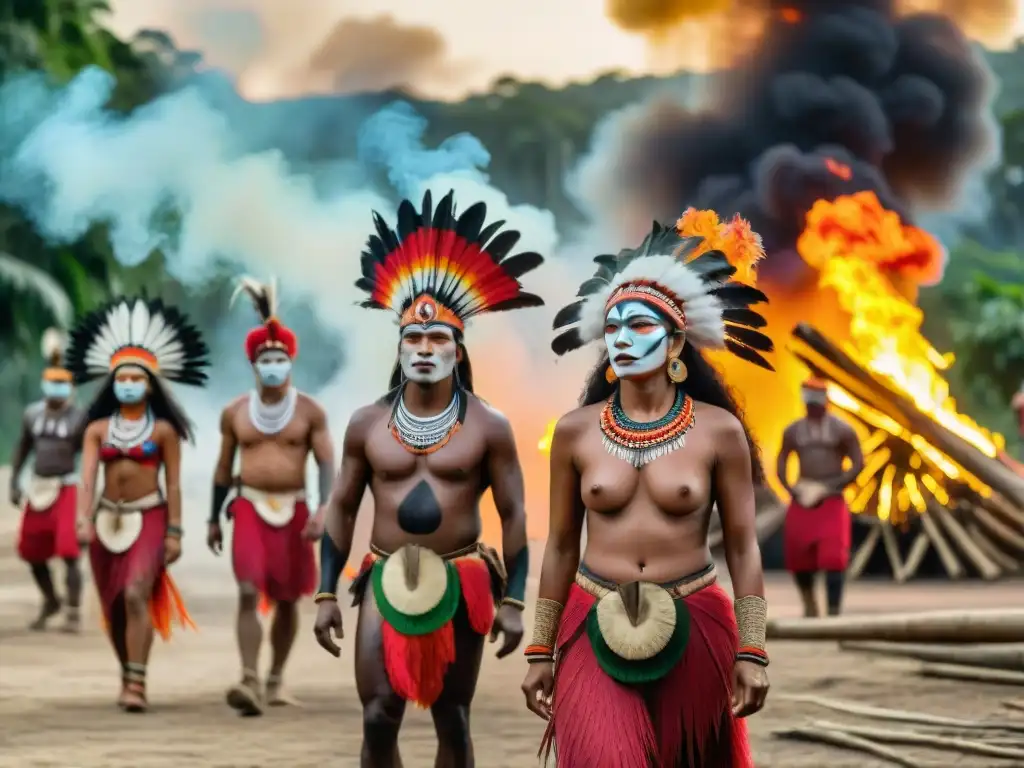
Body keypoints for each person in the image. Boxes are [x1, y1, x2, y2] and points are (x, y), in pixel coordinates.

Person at [522, 209, 774, 767]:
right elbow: (562, 544)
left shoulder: (718, 430)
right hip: (592, 619)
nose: (622, 339)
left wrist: (753, 649)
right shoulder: (574, 431)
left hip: (697, 618)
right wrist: (541, 648)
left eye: (640, 326)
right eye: (612, 328)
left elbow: (743, 545)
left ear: (677, 340)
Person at [313, 189, 541, 767]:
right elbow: (341, 507)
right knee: (377, 715)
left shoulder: (489, 425)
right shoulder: (367, 423)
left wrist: (513, 600)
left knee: (453, 720)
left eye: (438, 338)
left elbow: (515, 515)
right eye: (412, 338)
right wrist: (324, 593)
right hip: (384, 577)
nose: (423, 348)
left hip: (461, 579)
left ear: (458, 351)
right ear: (398, 346)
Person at [67, 296, 209, 712]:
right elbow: (88, 476)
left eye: (136, 377)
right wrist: (82, 518)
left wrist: (176, 531)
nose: (128, 383)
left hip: (149, 516)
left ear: (150, 384)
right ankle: (128, 671)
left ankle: (137, 684)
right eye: (122, 377)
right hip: (106, 520)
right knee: (113, 602)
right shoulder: (96, 429)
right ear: (112, 382)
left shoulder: (164, 431)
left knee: (134, 595)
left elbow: (175, 483)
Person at [207, 277, 334, 716]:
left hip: (295, 509)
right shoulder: (235, 412)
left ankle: (276, 678)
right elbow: (223, 468)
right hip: (247, 506)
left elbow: (327, 464)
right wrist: (210, 518)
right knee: (247, 590)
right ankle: (248, 678)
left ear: (291, 360)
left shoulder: (311, 412)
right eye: (266, 358)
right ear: (254, 364)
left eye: (280, 357)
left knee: (286, 599)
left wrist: (323, 508)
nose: (273, 364)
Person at [8, 328, 86, 632]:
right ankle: (51, 598)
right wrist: (14, 481)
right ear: (44, 384)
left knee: (69, 551)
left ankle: (74, 611)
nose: (55, 388)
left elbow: (89, 454)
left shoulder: (79, 418)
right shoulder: (32, 415)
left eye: (61, 384)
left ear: (71, 387)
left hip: (66, 486)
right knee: (30, 549)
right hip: (38, 486)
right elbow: (22, 448)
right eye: (51, 383)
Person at [777, 377, 864, 617]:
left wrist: (833, 485)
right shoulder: (793, 431)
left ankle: (834, 611)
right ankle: (810, 605)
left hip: (832, 500)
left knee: (834, 556)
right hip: (802, 498)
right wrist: (792, 489)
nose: (813, 406)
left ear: (827, 400)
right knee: (798, 554)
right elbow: (782, 460)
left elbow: (858, 463)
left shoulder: (842, 430)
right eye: (810, 400)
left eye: (818, 400)